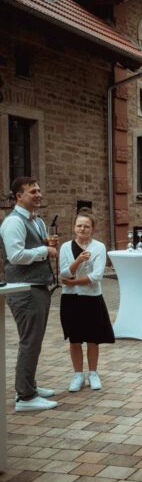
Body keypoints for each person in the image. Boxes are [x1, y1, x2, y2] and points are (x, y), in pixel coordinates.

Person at [0, 177, 58, 412]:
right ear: (18, 196)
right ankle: (25, 397)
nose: (38, 194)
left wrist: (45, 245)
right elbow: (15, 256)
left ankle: (29, 385)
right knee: (29, 341)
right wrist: (44, 250)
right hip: (23, 289)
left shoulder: (38, 221)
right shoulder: (13, 222)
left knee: (35, 340)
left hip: (37, 286)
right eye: (32, 191)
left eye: (39, 190)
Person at [59, 209, 114, 392]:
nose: (82, 229)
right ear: (74, 227)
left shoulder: (98, 247)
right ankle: (77, 375)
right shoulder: (66, 247)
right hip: (70, 299)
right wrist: (78, 261)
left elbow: (96, 275)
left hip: (91, 298)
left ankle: (93, 373)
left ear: (93, 228)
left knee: (92, 339)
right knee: (74, 339)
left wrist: (73, 282)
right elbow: (63, 273)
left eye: (86, 226)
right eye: (79, 225)